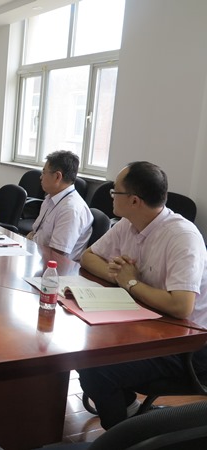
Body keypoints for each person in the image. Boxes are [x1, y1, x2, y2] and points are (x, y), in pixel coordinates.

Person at [77, 161, 207, 430]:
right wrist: (121, 277)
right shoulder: (128, 223)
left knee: (97, 368)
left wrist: (131, 282)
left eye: (115, 191)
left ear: (134, 200)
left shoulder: (182, 237)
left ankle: (125, 437)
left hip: (188, 343)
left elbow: (181, 306)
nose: (111, 195)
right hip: (149, 324)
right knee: (84, 348)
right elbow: (88, 257)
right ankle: (133, 416)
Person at [26, 150, 92, 261]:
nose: (41, 177)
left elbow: (56, 254)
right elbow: (35, 233)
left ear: (57, 176)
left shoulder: (71, 209)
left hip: (57, 267)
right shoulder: (50, 199)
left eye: (44, 173)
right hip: (38, 256)